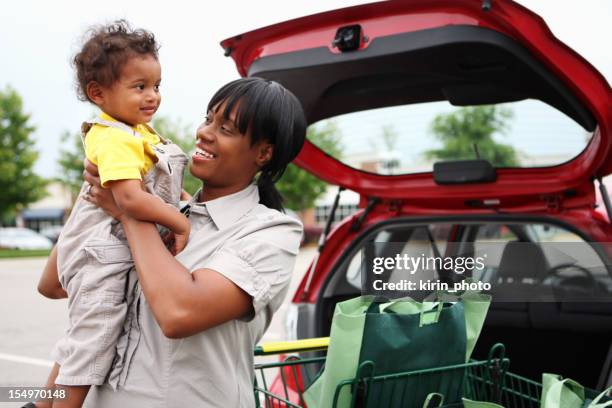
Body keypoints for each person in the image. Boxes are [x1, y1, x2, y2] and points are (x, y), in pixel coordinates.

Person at [36, 77, 307, 407]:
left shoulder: (272, 233)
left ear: (264, 153)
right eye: (209, 118)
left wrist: (129, 211)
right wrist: (105, 186)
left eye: (226, 128)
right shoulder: (161, 211)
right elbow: (55, 284)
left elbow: (179, 313)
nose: (204, 132)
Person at [33, 21, 190, 408]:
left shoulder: (141, 133)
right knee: (94, 340)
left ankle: (38, 403)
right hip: (104, 251)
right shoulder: (116, 137)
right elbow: (130, 201)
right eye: (139, 87)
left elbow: (157, 185)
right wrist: (180, 221)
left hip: (101, 250)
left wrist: (181, 198)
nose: (152, 96)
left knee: (81, 335)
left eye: (156, 86)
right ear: (98, 93)